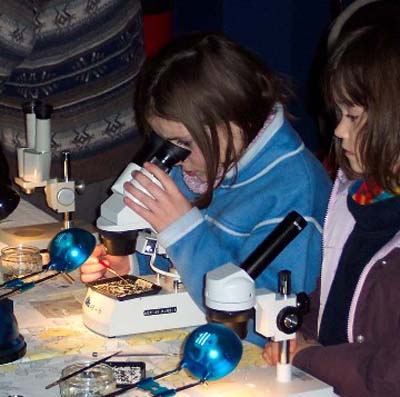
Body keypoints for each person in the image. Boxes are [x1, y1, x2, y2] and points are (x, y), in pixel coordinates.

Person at [80, 31, 332, 346]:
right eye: (165, 142)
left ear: (233, 118)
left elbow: (265, 329)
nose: (175, 156)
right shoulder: (209, 163)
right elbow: (177, 256)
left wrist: (183, 231)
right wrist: (130, 262)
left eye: (183, 143)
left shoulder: (294, 193)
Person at [262, 25, 400, 397]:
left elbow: (390, 376)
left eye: (353, 116)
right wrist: (298, 334)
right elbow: (332, 299)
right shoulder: (356, 198)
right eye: (339, 113)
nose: (338, 130)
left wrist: (309, 358)